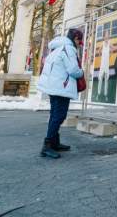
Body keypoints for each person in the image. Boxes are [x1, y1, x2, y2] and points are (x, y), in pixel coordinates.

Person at [37, 28, 84, 159]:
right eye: (79, 41)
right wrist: (82, 72)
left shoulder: (56, 48)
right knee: (59, 116)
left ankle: (54, 142)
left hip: (54, 87)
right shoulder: (68, 49)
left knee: (54, 115)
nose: (79, 44)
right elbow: (73, 70)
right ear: (75, 39)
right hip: (61, 87)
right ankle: (47, 146)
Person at [97, 29, 117, 103]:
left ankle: (105, 95)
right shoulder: (102, 43)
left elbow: (114, 48)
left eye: (108, 34)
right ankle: (98, 94)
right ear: (104, 36)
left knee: (106, 80)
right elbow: (98, 51)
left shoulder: (109, 43)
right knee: (100, 79)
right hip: (102, 64)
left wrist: (112, 52)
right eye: (106, 34)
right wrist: (101, 56)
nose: (107, 35)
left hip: (107, 64)